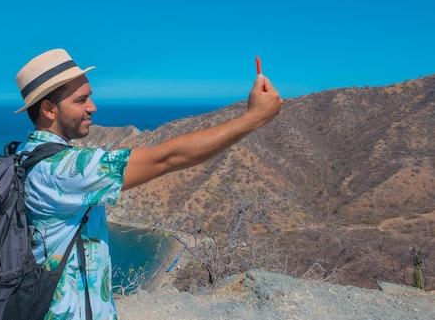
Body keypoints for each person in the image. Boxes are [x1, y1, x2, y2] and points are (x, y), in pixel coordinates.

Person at [14, 48, 283, 320]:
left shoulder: (25, 153)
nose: (92, 107)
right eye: (81, 100)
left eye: (90, 97)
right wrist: (253, 119)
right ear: (48, 109)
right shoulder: (61, 170)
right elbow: (166, 158)